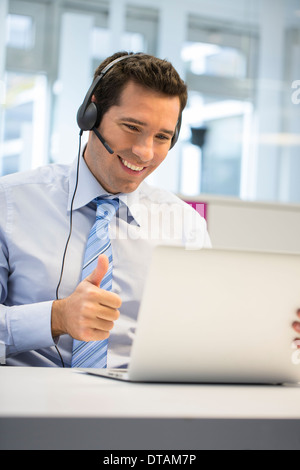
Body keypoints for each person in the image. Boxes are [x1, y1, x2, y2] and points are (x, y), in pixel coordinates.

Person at [0, 51, 211, 367]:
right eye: (131, 127)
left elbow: (205, 334)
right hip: (25, 402)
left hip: (139, 407)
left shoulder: (185, 225)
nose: (144, 152)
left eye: (162, 137)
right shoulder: (11, 202)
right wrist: (55, 317)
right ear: (91, 113)